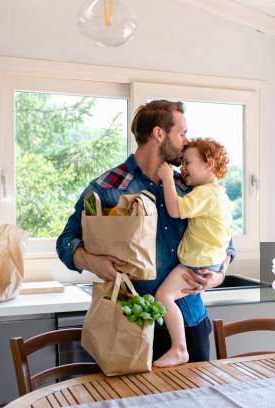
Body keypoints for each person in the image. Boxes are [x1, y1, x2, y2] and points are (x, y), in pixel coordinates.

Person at [56, 100, 234, 363]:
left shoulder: (188, 187)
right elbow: (65, 242)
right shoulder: (108, 187)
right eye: (182, 133)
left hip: (191, 323)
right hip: (134, 328)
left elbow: (225, 243)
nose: (186, 142)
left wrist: (217, 276)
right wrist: (94, 262)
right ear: (159, 134)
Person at [154, 138, 233, 367]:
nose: (182, 168)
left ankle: (179, 348)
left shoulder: (206, 193)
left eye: (188, 162)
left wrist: (168, 178)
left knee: (163, 297)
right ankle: (179, 348)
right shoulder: (219, 194)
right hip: (209, 262)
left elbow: (176, 209)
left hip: (196, 264)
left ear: (208, 164)